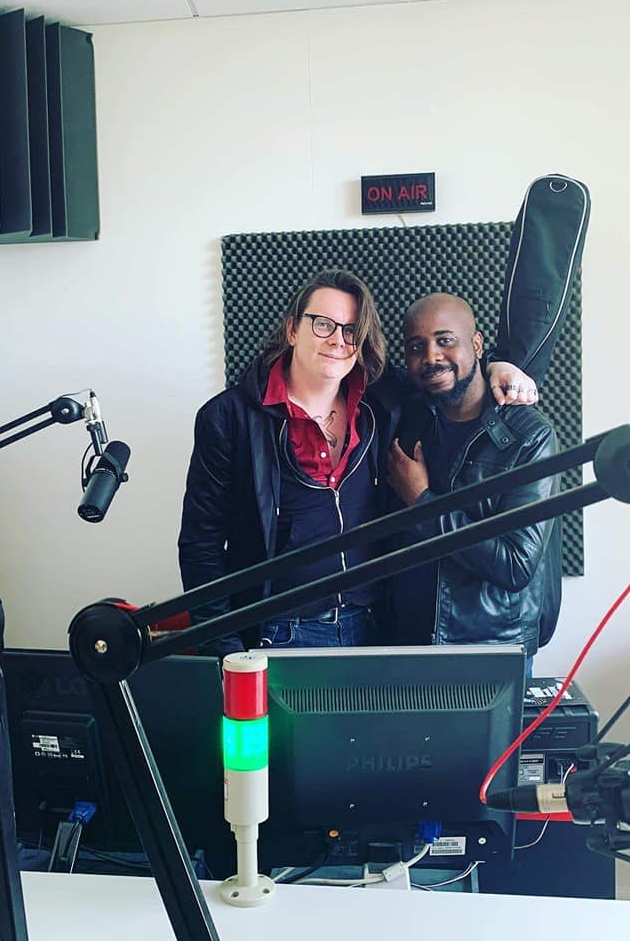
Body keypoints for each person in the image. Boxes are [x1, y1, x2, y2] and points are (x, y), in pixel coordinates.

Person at [178, 270, 539, 656]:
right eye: (322, 324)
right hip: (279, 633)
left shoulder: (382, 399)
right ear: (292, 330)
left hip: (377, 628)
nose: (338, 340)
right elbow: (202, 543)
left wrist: (496, 365)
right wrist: (223, 648)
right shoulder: (229, 417)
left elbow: (445, 371)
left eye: (351, 330)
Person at [386, 292, 562, 674]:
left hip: (489, 651)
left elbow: (515, 565)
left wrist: (422, 502)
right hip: (408, 645)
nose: (431, 357)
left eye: (445, 340)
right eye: (416, 347)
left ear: (477, 345)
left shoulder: (529, 438)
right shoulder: (412, 416)